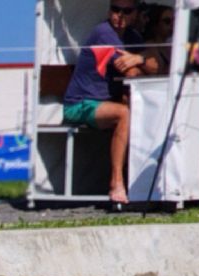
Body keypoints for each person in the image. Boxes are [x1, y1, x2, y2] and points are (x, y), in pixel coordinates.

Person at [63, 0, 148, 204]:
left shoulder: (132, 37)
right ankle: (116, 182)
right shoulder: (103, 33)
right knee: (124, 114)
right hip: (79, 104)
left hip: (103, 103)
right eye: (115, 10)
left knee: (144, 111)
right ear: (109, 11)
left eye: (127, 11)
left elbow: (156, 63)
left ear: (135, 14)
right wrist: (142, 62)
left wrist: (141, 59)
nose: (120, 16)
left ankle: (142, 181)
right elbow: (130, 71)